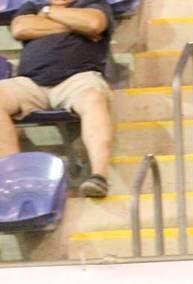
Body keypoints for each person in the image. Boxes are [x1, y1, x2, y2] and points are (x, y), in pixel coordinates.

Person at [0, 0, 115, 197]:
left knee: (93, 98)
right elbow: (20, 28)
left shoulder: (93, 3)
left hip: (78, 79)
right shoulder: (32, 6)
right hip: (31, 82)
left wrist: (46, 16)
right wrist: (74, 26)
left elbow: (93, 24)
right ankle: (11, 178)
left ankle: (99, 176)